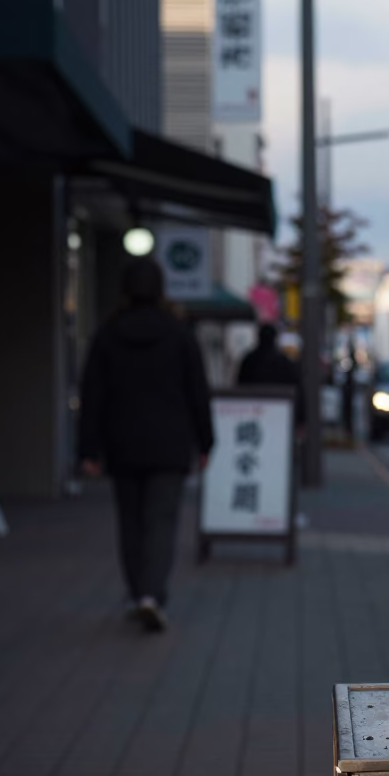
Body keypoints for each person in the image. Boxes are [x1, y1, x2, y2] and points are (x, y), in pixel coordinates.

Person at [78, 258, 213, 632]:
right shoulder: (179, 333)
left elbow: (93, 395)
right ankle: (153, 594)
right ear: (161, 290)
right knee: (161, 521)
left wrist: (87, 450)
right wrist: (206, 442)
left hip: (122, 444)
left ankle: (137, 592)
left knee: (130, 522)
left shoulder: (107, 334)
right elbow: (197, 392)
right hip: (170, 444)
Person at [237, 323, 305, 424]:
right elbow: (299, 390)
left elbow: (239, 388)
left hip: (253, 416)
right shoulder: (285, 363)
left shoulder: (249, 361)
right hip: (280, 418)